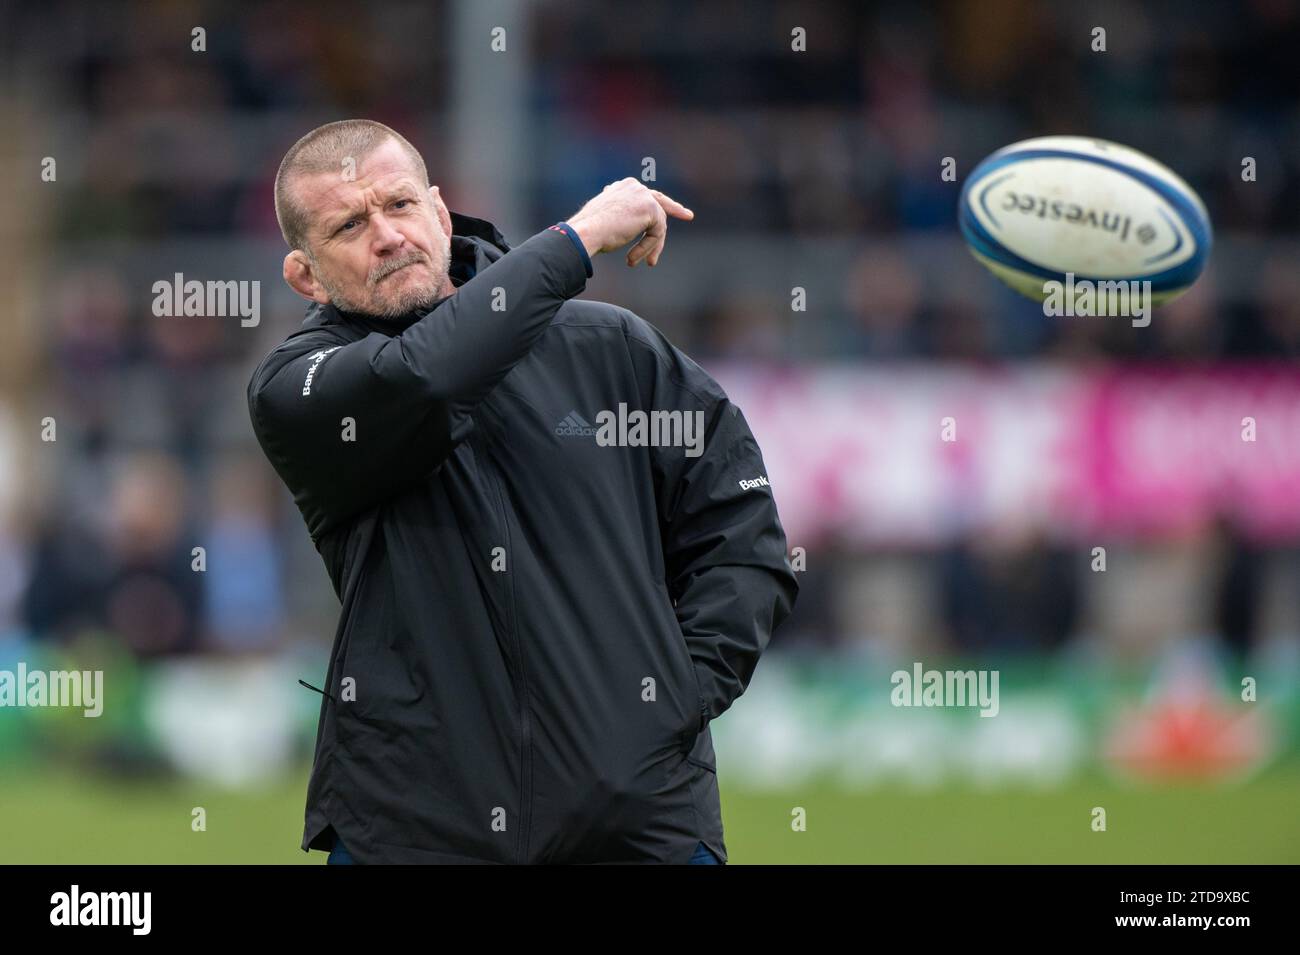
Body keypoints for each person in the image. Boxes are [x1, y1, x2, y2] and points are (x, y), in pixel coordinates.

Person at [248, 119, 797, 864]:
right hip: (415, 830)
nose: (387, 235)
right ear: (306, 276)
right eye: (350, 224)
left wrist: (677, 693)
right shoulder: (296, 389)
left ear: (440, 214)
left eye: (401, 205)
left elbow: (740, 528)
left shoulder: (611, 349)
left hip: (639, 824)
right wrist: (576, 241)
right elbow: (426, 376)